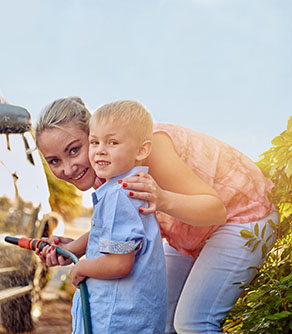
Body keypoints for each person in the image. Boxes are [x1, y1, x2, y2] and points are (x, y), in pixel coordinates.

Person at [35, 96, 278, 334]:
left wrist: (161, 198)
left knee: (193, 322)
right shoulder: (112, 170)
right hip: (190, 231)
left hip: (242, 217)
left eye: (75, 150)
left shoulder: (145, 151)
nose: (68, 168)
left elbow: (215, 211)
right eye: (55, 161)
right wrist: (75, 248)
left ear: (94, 132)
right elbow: (123, 225)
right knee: (159, 318)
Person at [65, 100, 166, 333]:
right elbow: (109, 238)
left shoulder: (120, 194)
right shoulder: (126, 189)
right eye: (94, 142)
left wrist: (81, 268)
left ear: (141, 150)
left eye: (113, 142)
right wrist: (74, 246)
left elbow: (119, 263)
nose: (100, 150)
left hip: (116, 320)